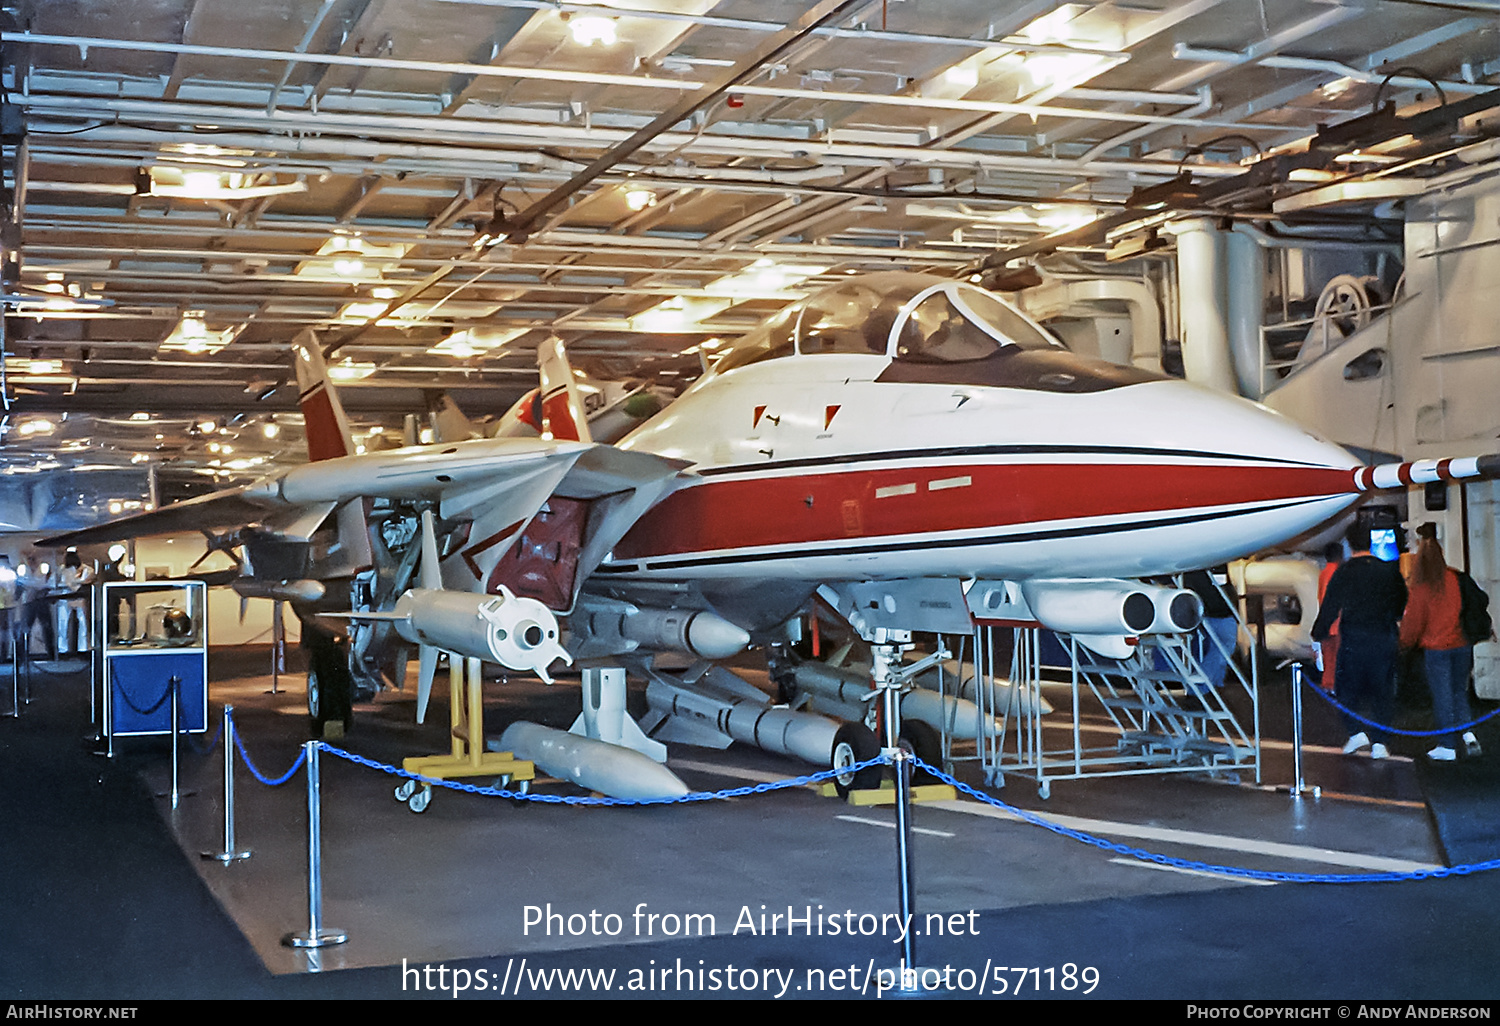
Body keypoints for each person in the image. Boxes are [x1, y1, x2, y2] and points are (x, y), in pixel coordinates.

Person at [1311, 523, 1408, 759]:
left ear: (1349, 544)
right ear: (1371, 543)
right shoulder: (1389, 571)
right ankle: (1380, 743)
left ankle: (1356, 732)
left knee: (1346, 688)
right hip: (1383, 636)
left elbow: (1330, 606)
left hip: (1354, 637)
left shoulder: (1345, 572)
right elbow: (1401, 602)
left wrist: (1318, 634)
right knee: (1382, 691)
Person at [1399, 523, 1481, 761]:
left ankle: (1447, 745)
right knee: (1459, 692)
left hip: (1437, 649)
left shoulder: (1420, 586)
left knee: (1442, 696)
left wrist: (1403, 644)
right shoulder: (1455, 578)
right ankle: (1468, 734)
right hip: (1461, 644)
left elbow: (1413, 624)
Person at [54, 551, 96, 656]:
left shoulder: (86, 569)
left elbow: (88, 580)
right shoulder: (61, 569)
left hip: (79, 597)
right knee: (63, 623)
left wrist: (74, 584)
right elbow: (56, 582)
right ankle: (63, 649)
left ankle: (83, 648)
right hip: (65, 597)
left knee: (82, 622)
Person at [1315, 541, 1344, 691]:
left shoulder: (1323, 573)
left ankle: (1328, 685)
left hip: (1326, 623)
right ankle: (1333, 686)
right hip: (1336, 624)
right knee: (1336, 659)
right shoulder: (1336, 574)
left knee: (1328, 659)